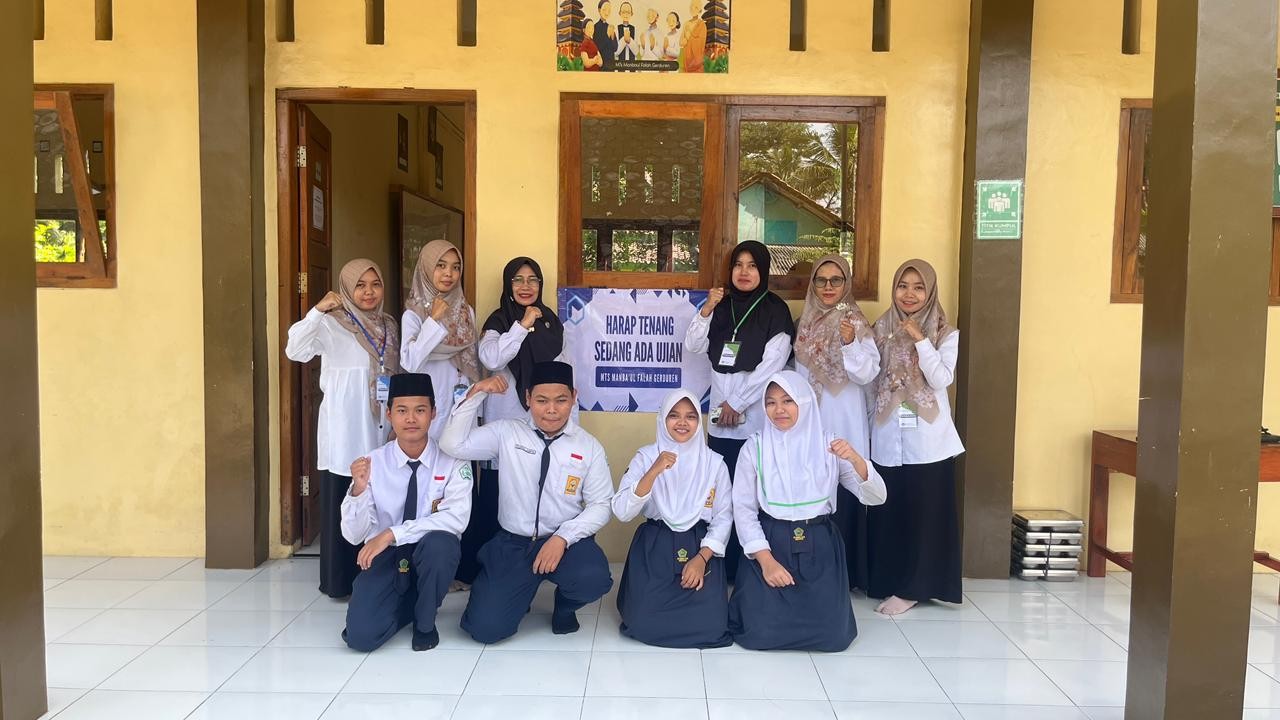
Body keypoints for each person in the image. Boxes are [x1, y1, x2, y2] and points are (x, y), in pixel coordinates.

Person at [440, 361, 614, 643]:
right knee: (485, 630)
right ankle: (518, 596)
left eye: (561, 400)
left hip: (565, 542)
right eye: (542, 400)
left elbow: (602, 504)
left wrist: (563, 538)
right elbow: (452, 444)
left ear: (574, 397)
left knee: (594, 579)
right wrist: (478, 393)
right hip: (514, 544)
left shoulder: (588, 446)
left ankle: (565, 607)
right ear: (528, 397)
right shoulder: (507, 432)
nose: (551, 409)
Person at [728, 371, 887, 652]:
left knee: (833, 638)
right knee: (760, 635)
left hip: (819, 545)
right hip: (771, 543)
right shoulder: (755, 447)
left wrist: (855, 458)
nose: (779, 409)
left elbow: (875, 497)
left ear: (805, 401)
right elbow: (743, 509)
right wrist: (766, 561)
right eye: (771, 402)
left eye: (788, 401)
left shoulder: (830, 445)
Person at [286, 258, 401, 599]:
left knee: (378, 499)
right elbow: (295, 350)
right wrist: (317, 311)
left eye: (375, 284)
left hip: (380, 424)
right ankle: (340, 581)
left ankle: (375, 574)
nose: (368, 292)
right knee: (345, 497)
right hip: (346, 428)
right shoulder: (332, 323)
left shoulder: (388, 325)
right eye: (359, 285)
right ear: (347, 288)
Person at [685, 239, 795, 580]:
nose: (744, 272)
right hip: (721, 418)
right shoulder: (721, 305)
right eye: (738, 265)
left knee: (754, 491)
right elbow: (693, 344)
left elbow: (773, 364)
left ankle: (754, 566)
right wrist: (707, 309)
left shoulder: (775, 309)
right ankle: (723, 564)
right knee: (721, 489)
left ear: (763, 271)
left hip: (756, 416)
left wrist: (738, 402)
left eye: (752, 265)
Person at [340, 373, 471, 652]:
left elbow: (456, 519)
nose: (411, 419)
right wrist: (358, 490)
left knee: (442, 544)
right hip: (387, 556)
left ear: (433, 413)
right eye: (402, 411)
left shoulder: (453, 461)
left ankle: (425, 622)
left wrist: (391, 533)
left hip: (429, 552)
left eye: (420, 410)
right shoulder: (373, 462)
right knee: (361, 638)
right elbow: (353, 536)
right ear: (389, 414)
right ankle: (409, 602)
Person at [866, 259, 965, 616]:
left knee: (925, 516)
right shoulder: (880, 329)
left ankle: (915, 589)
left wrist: (921, 340)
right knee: (891, 512)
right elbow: (872, 382)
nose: (909, 294)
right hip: (887, 433)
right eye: (903, 286)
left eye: (918, 287)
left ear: (931, 291)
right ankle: (889, 580)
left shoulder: (945, 333)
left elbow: (941, 379)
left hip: (928, 440)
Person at [611, 390, 734, 649]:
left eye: (691, 416)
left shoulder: (714, 464)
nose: (682, 422)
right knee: (642, 624)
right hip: (656, 543)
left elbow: (724, 517)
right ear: (662, 419)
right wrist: (653, 471)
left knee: (712, 627)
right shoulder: (646, 457)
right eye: (674, 415)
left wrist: (702, 559)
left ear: (699, 421)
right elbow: (622, 511)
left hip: (700, 545)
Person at [793, 255, 879, 591]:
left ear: (847, 284)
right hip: (810, 420)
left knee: (845, 488)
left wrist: (849, 343)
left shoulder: (857, 323)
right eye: (821, 280)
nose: (828, 287)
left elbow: (867, 373)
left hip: (845, 418)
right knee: (813, 489)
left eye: (836, 280)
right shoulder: (803, 323)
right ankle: (812, 570)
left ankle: (848, 573)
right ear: (813, 284)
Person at [401, 239, 480, 441]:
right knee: (433, 455)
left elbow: (473, 361)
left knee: (461, 454)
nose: (449, 273)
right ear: (427, 268)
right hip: (431, 402)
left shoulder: (465, 311)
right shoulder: (413, 314)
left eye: (456, 267)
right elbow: (410, 362)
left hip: (462, 401)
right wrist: (433, 320)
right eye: (441, 265)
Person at [679, 0, 706, 72]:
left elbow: (701, 43)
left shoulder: (701, 24)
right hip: (686, 58)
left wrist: (690, 35)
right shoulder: (686, 23)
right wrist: (684, 40)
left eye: (696, 7)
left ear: (700, 11)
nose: (692, 9)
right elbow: (681, 42)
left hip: (696, 62)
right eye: (691, 6)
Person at [593, 0, 618, 71]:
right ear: (599, 10)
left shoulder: (610, 27)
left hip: (611, 65)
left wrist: (612, 36)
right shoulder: (595, 27)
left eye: (609, 10)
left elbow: (615, 48)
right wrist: (607, 35)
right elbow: (597, 47)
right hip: (602, 65)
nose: (607, 12)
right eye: (604, 10)